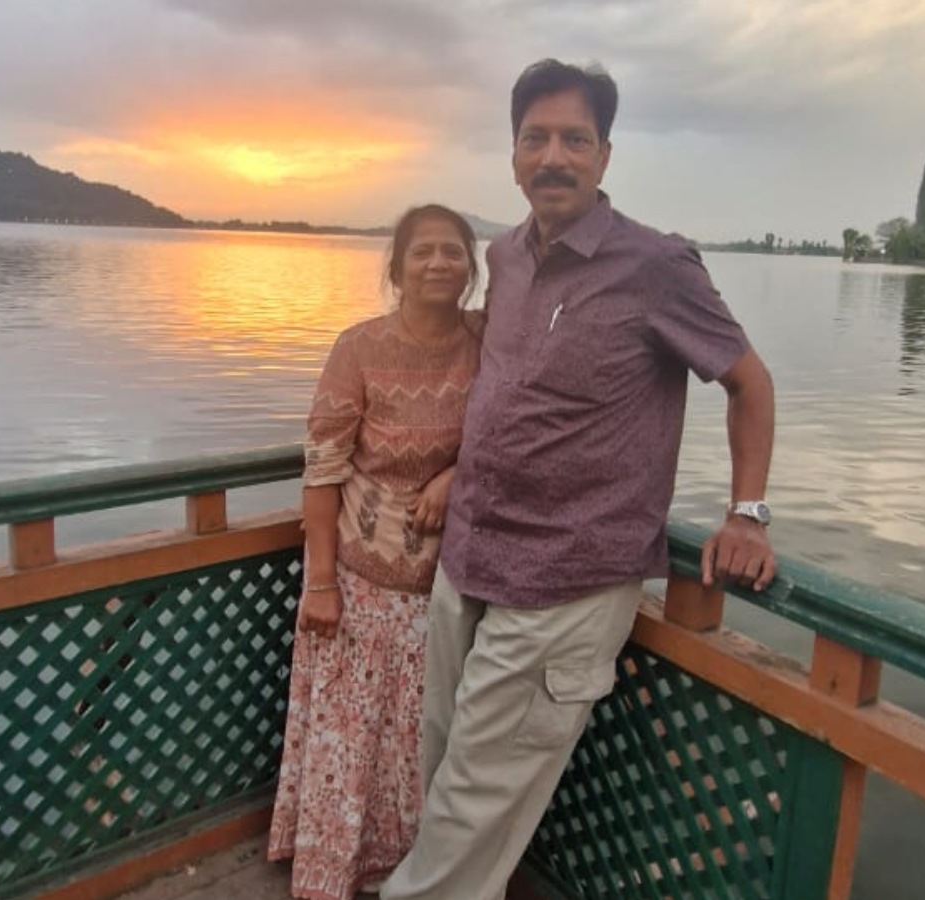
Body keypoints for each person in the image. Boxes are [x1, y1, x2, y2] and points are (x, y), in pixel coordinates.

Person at [380, 59, 778, 900]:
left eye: (574, 139)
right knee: (442, 765)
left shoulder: (657, 265)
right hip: (469, 556)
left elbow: (749, 382)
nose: (553, 157)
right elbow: (510, 382)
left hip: (567, 578)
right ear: (513, 155)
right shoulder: (506, 254)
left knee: (470, 804)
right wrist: (457, 464)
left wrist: (747, 513)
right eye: (536, 138)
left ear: (604, 155)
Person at [268, 204, 484, 899]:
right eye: (422, 252)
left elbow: (516, 433)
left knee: (425, 739)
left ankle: (412, 873)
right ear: (396, 268)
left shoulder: (489, 344)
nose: (438, 263)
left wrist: (457, 475)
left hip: (450, 585)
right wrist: (321, 584)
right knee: (351, 736)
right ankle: (335, 869)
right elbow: (324, 467)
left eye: (453, 251)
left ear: (471, 268)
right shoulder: (358, 347)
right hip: (361, 581)